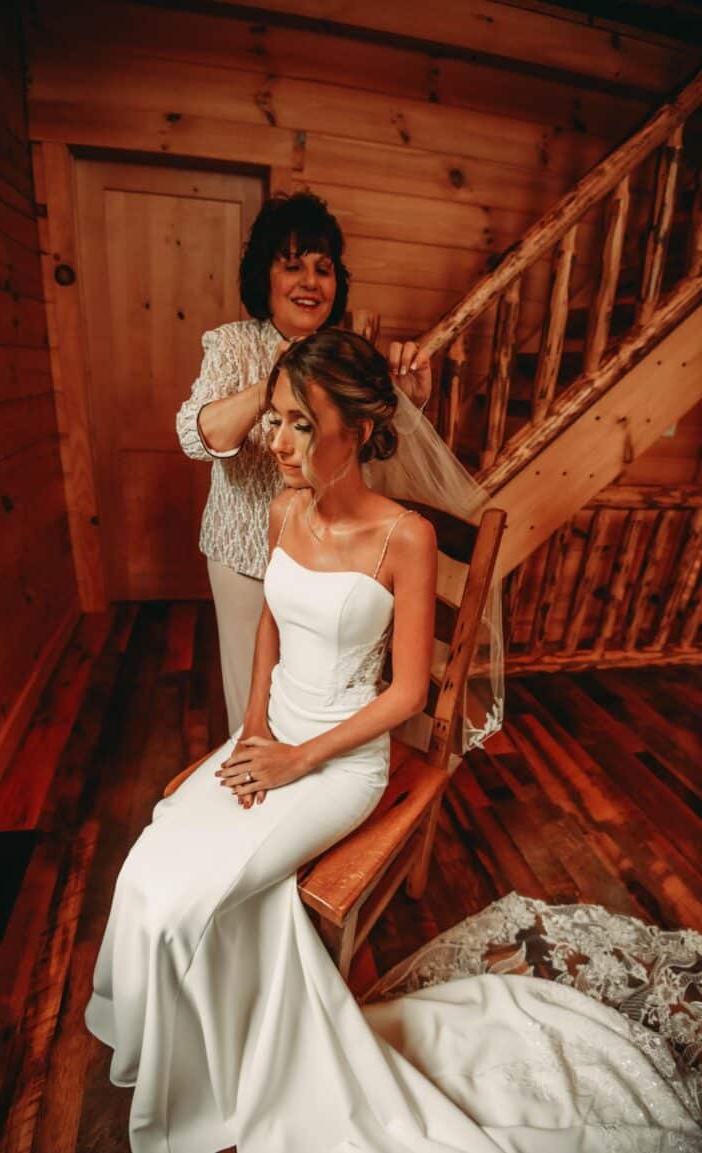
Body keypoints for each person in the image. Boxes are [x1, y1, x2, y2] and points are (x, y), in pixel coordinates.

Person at [86, 330, 699, 1153]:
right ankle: (170, 1043)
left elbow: (410, 693)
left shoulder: (403, 537)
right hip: (272, 736)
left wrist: (299, 759)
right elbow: (269, 622)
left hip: (342, 763)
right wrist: (258, 725)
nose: (277, 441)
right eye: (275, 419)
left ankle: (212, 1076)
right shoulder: (280, 508)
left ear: (357, 429)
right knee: (146, 871)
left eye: (299, 423)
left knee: (185, 902)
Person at [176, 190, 430, 732]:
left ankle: (320, 775)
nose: (311, 282)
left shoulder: (344, 355)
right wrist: (281, 373)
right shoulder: (231, 345)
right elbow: (197, 437)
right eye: (293, 266)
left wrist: (410, 399)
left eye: (324, 268)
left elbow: (374, 450)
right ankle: (253, 774)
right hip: (246, 549)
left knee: (322, 689)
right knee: (252, 691)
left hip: (334, 557)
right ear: (264, 277)